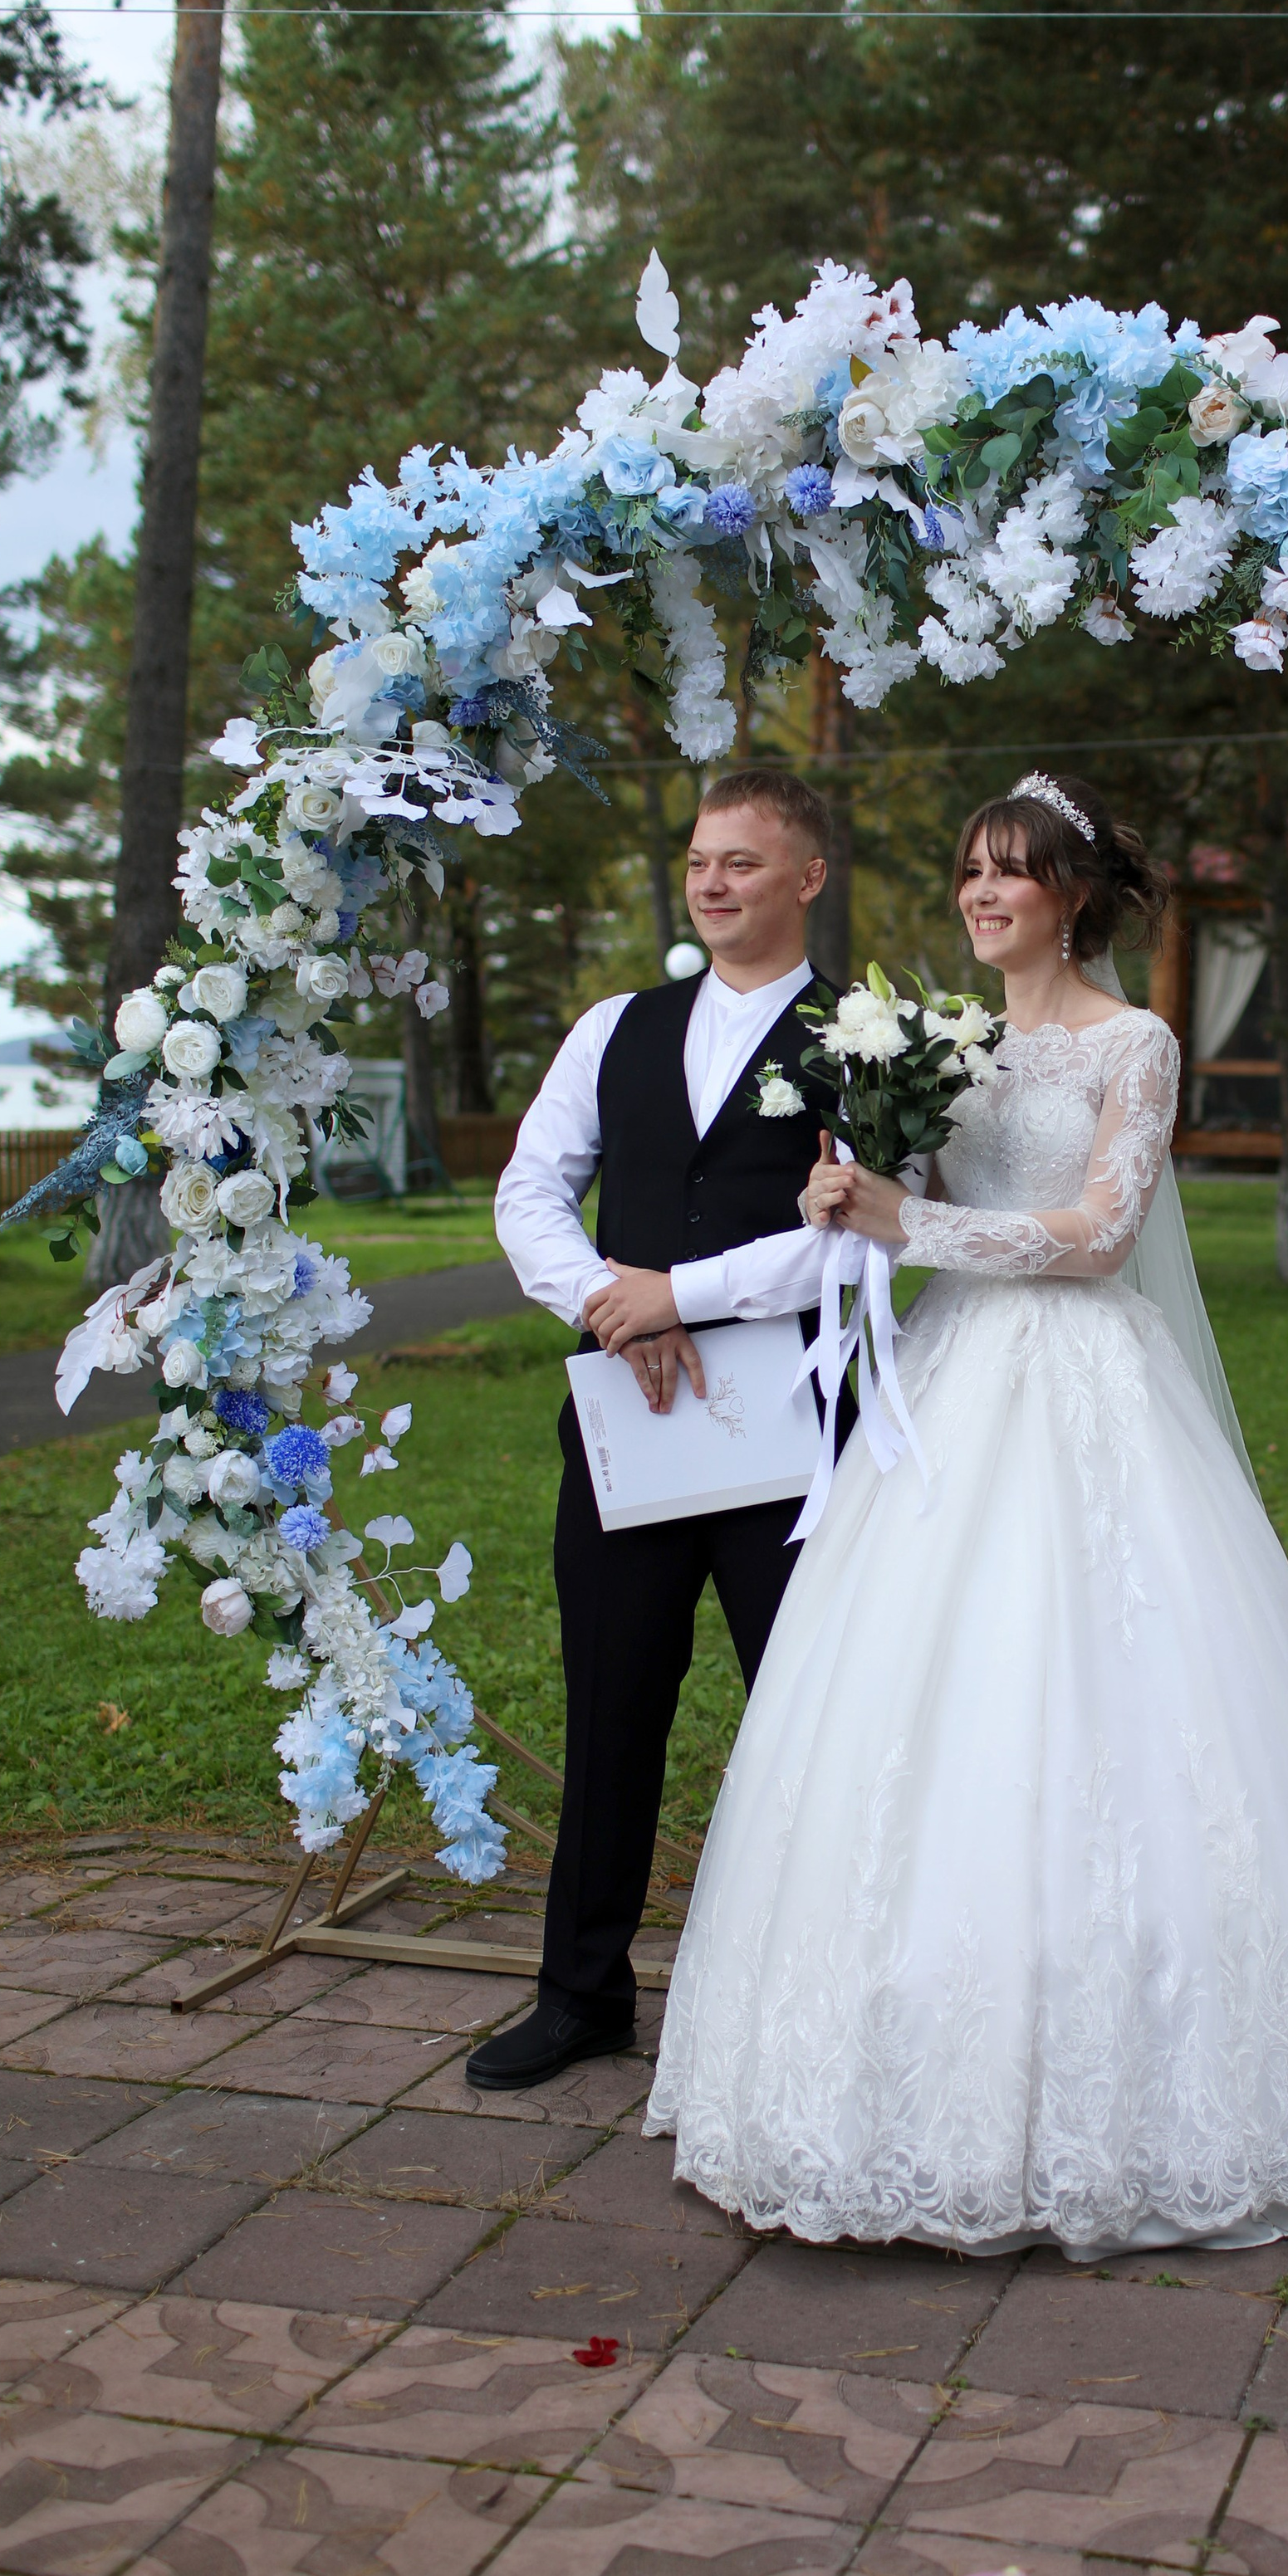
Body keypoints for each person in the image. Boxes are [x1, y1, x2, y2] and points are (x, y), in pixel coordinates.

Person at [646, 770, 1288, 2256]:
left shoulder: (1134, 1041)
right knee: (917, 1706)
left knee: (1114, 1701)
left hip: (1086, 1386)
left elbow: (1098, 1236)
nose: (982, 892)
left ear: (1070, 897)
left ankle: (1157, 2076)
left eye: (1012, 873)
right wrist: (861, 1186)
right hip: (953, 1384)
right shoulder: (944, 1041)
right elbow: (908, 1194)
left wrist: (917, 1221)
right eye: (969, 868)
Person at [470, 770, 839, 2092]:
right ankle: (582, 1994)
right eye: (700, 858)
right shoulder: (615, 1026)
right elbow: (531, 1191)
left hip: (791, 1436)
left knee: (810, 1716)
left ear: (807, 878)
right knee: (611, 1708)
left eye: (744, 860)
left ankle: (815, 1999)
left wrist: (681, 1291)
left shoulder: (870, 1038)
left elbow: (852, 1242)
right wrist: (609, 1304)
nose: (714, 880)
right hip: (630, 1420)